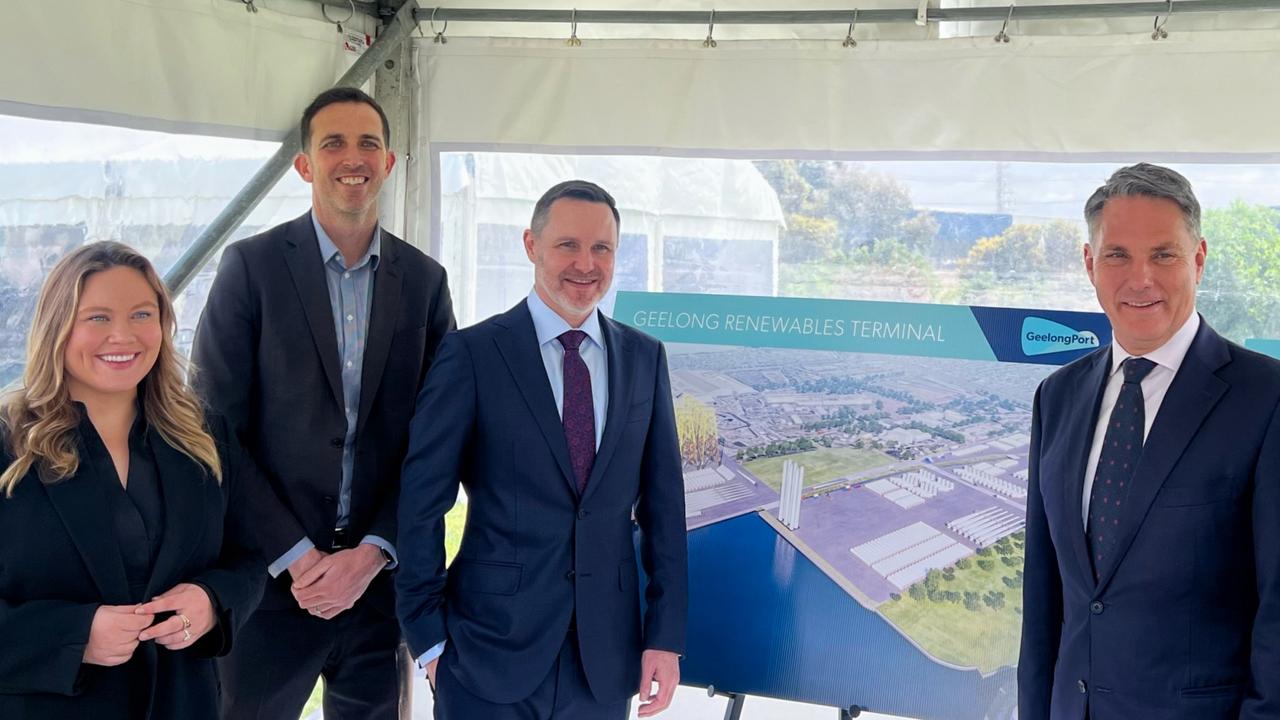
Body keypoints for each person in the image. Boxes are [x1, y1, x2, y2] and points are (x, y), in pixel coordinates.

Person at [192, 86, 455, 719]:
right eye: (332, 142)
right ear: (305, 164)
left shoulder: (424, 281)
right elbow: (214, 428)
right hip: (268, 581)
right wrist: (298, 557)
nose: (352, 157)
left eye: (369, 143)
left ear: (390, 162)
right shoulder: (249, 268)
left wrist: (373, 552)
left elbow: (439, 438)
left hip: (378, 587)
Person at [396, 180, 687, 719]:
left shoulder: (645, 358)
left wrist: (664, 638)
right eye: (567, 245)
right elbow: (420, 503)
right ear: (531, 245)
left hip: (604, 661)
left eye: (601, 248)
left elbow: (664, 511)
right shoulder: (473, 354)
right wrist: (428, 640)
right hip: (485, 653)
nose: (586, 263)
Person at [1018, 163, 1280, 719]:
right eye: (1117, 255)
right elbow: (1045, 600)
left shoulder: (1267, 399)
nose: (1140, 279)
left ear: (1199, 259)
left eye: (1163, 254)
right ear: (1090, 264)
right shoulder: (1057, 397)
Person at [0, 242, 265, 719]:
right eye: (98, 318)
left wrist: (211, 601)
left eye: (142, 315)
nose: (123, 336)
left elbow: (248, 559)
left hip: (182, 705)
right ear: (57, 325)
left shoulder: (204, 435)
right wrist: (73, 635)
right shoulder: (7, 445)